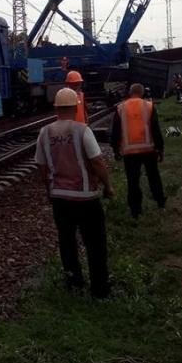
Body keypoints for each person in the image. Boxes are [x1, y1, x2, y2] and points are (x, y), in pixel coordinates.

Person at [35, 87, 113, 298]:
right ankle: (100, 289)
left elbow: (41, 166)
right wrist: (107, 186)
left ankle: (74, 283)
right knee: (95, 244)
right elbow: (97, 162)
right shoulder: (82, 130)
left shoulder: (45, 132)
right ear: (75, 108)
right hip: (86, 198)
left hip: (60, 198)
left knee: (67, 242)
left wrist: (48, 190)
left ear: (56, 108)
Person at [111, 83, 166, 219]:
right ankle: (160, 202)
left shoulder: (121, 108)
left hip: (129, 152)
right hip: (148, 150)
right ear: (142, 93)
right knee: (154, 177)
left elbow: (116, 131)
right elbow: (155, 128)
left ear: (130, 93)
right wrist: (160, 148)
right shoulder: (149, 106)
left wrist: (115, 149)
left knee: (133, 182)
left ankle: (135, 211)